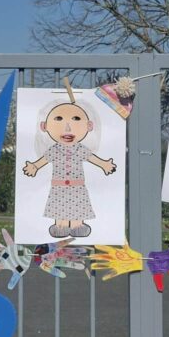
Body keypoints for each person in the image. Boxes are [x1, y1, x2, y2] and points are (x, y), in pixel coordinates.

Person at [22, 101, 116, 238]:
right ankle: (61, 226)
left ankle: (78, 225)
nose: (67, 128)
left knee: (78, 206)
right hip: (59, 187)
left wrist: (104, 164)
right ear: (44, 126)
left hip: (77, 187)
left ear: (89, 126)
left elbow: (92, 158)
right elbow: (43, 160)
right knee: (60, 208)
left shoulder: (81, 149)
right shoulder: (54, 150)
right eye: (58, 119)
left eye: (76, 119)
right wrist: (34, 166)